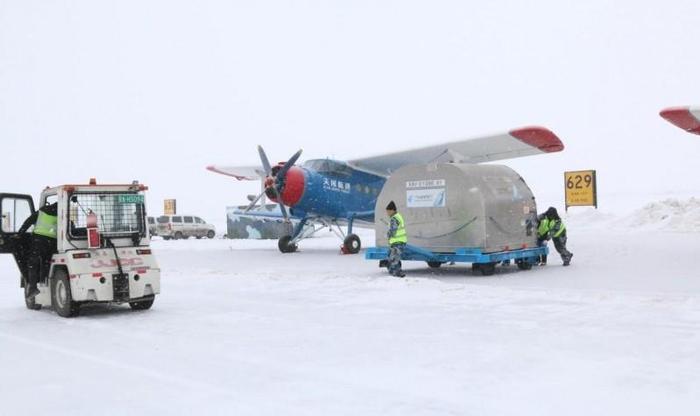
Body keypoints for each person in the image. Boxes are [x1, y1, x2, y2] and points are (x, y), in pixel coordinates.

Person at [17, 202, 59, 298]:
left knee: (33, 263)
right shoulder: (62, 212)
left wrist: (20, 233)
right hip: (52, 242)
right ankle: (45, 280)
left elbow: (29, 221)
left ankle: (33, 287)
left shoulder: (43, 210)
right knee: (46, 262)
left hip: (38, 240)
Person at [385, 201, 407, 278]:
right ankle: (392, 271)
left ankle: (398, 272)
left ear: (392, 210)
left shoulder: (394, 218)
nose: (387, 213)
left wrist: (388, 234)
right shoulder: (398, 216)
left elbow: (393, 231)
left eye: (388, 211)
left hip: (397, 242)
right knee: (393, 257)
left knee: (394, 258)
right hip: (400, 241)